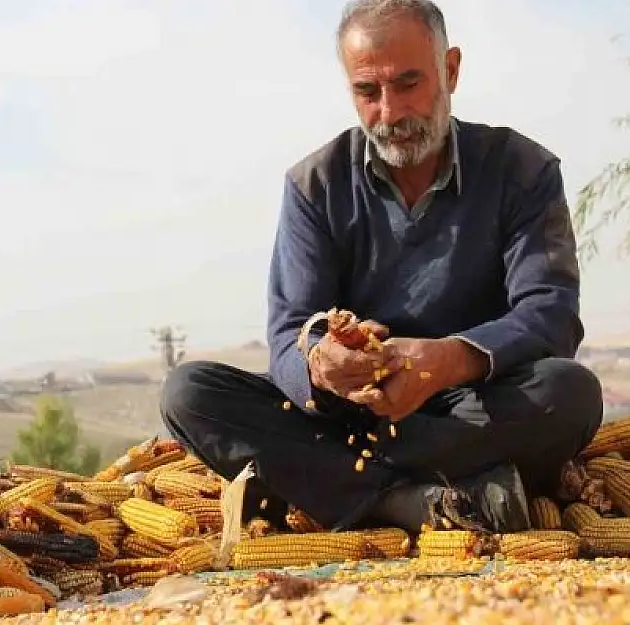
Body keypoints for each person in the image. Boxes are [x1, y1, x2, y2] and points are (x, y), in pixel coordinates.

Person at [160, 0, 603, 534]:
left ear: (452, 70)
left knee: (570, 392)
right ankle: (416, 501)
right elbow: (288, 334)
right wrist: (322, 365)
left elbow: (551, 315)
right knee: (189, 394)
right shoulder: (314, 185)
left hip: (473, 405)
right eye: (367, 92)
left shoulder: (522, 170)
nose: (390, 113)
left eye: (409, 84)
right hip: (352, 415)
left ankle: (342, 488)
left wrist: (446, 360)